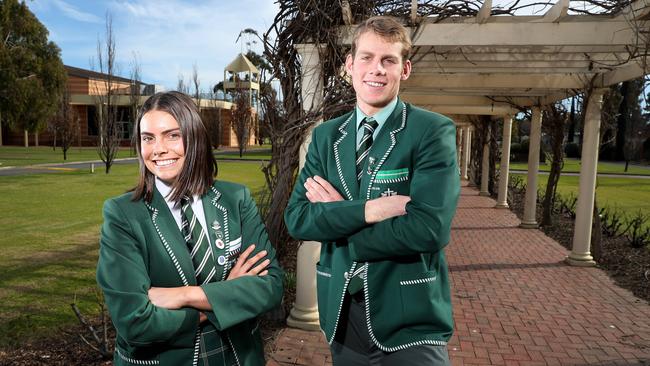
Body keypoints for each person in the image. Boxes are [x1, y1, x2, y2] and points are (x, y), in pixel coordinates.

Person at [284, 16, 460, 365]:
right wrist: (368, 210)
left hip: (410, 318)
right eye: (366, 57)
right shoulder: (326, 137)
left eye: (388, 60)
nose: (375, 69)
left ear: (404, 69)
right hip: (341, 316)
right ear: (349, 65)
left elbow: (428, 228)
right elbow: (298, 218)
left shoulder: (431, 131)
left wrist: (337, 223)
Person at [97, 91, 283, 366]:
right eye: (148, 138)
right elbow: (135, 321)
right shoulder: (123, 215)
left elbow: (271, 286)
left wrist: (185, 295)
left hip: (237, 357)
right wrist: (228, 294)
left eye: (172, 135)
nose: (158, 148)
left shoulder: (235, 200)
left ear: (194, 137)